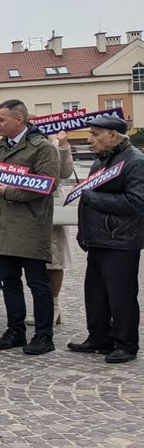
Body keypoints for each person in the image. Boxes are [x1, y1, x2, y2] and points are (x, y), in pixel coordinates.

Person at [0, 99, 59, 355]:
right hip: (2, 228)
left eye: (1, 120)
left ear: (19, 120)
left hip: (30, 227)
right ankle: (16, 330)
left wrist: (11, 192)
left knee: (38, 283)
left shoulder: (42, 148)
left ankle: (43, 335)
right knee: (9, 282)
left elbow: (47, 185)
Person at [69, 115, 142, 364]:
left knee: (121, 295)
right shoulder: (102, 161)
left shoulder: (135, 161)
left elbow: (137, 202)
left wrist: (93, 199)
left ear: (113, 135)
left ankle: (126, 344)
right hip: (99, 240)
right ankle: (99, 337)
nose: (90, 139)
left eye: (95, 134)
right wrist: (83, 232)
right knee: (96, 293)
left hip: (121, 241)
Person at [46, 131, 76, 324]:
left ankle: (54, 305)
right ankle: (45, 305)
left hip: (51, 206)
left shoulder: (54, 144)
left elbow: (65, 172)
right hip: (26, 209)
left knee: (54, 259)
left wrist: (63, 145)